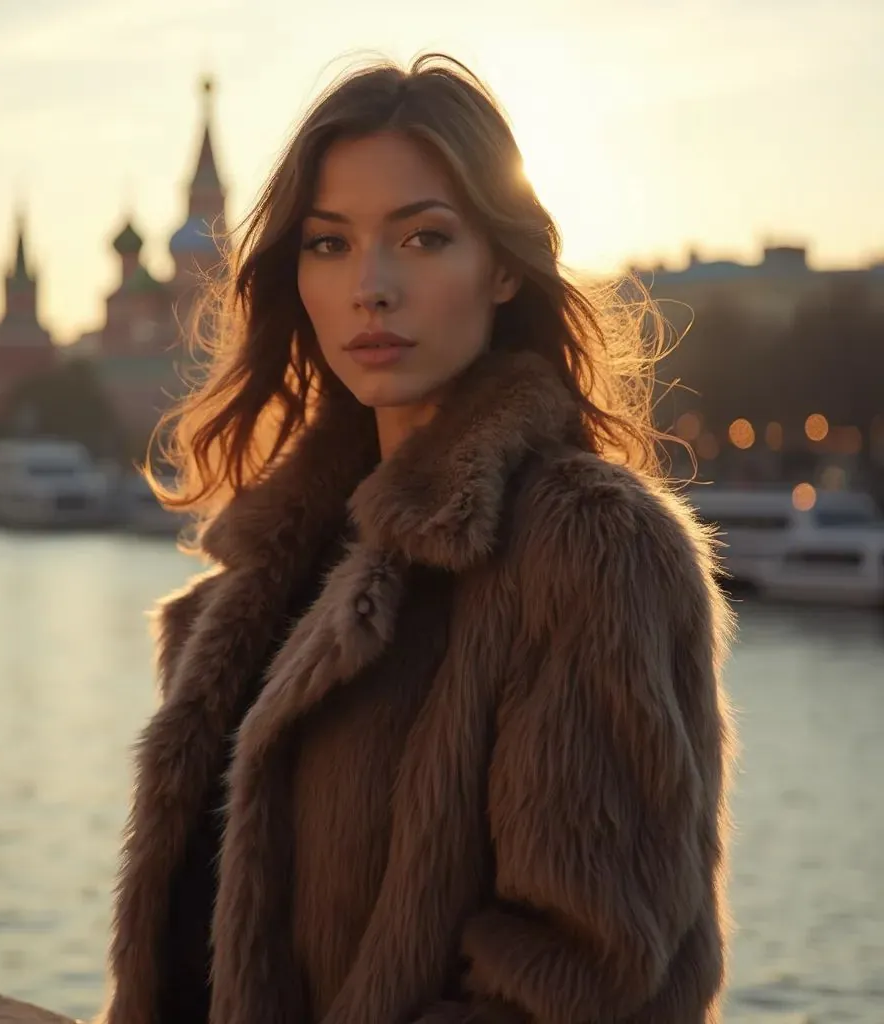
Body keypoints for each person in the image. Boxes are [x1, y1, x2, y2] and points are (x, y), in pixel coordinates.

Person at [98, 53, 736, 1024]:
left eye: (425, 238)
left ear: (505, 266)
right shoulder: (256, 584)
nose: (372, 287)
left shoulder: (588, 550)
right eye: (328, 245)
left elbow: (573, 979)